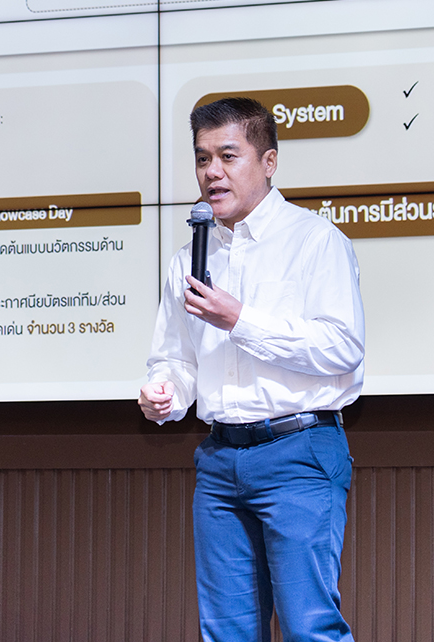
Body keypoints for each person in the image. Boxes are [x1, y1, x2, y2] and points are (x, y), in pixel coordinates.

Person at [140, 97, 365, 642]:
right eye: (202, 158)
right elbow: (177, 356)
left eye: (227, 155)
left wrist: (239, 319)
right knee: (227, 633)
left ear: (268, 162)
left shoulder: (315, 241)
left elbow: (342, 347)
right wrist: (164, 392)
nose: (211, 172)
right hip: (220, 461)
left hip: (299, 453)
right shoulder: (189, 258)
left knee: (310, 628)